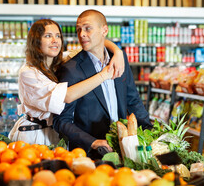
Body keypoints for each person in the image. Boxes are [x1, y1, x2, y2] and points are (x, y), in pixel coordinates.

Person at [9, 19, 125, 145]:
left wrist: (117, 51)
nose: (55, 41)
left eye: (58, 36)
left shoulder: (60, 60)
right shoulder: (28, 72)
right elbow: (67, 96)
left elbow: (96, 42)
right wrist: (104, 75)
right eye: (48, 36)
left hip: (56, 133)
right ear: (36, 42)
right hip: (33, 134)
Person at [53, 9, 152, 154]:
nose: (82, 34)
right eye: (78, 30)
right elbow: (61, 121)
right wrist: (92, 142)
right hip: (90, 153)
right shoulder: (71, 69)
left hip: (122, 147)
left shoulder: (119, 59)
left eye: (88, 28)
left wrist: (150, 132)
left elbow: (133, 100)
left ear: (104, 30)